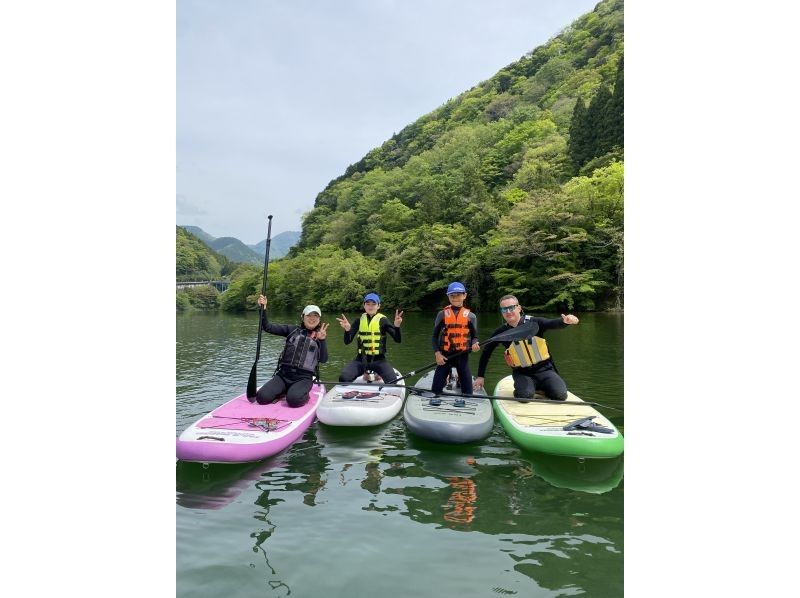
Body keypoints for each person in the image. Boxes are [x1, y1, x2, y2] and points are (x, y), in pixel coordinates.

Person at [474, 294, 579, 400]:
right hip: (523, 373)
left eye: (511, 307)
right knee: (524, 396)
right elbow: (486, 353)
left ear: (519, 308)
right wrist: (480, 376)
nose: (508, 312)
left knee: (560, 395)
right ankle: (528, 388)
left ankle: (542, 387)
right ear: (501, 311)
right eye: (504, 309)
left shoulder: (534, 322)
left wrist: (565, 321)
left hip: (545, 370)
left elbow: (552, 323)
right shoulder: (501, 332)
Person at [252, 295, 329, 407]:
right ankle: (284, 390)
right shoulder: (291, 330)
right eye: (309, 315)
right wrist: (263, 309)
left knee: (294, 400)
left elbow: (323, 359)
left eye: (316, 316)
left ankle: (301, 394)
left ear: (319, 320)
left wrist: (322, 341)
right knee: (261, 398)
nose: (312, 318)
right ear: (302, 317)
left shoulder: (319, 336)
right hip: (283, 375)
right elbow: (267, 327)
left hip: (303, 378)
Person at [336, 292, 403, 383]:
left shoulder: (383, 320)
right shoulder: (359, 320)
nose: (370, 306)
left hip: (379, 360)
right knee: (343, 379)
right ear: (364, 305)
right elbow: (347, 341)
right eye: (368, 304)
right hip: (361, 360)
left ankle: (376, 373)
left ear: (378, 306)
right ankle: (365, 372)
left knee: (393, 382)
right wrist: (347, 330)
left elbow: (397, 340)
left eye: (373, 304)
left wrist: (397, 327)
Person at [431, 282, 480, 395]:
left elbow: (474, 337)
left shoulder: (471, 316)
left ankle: (459, 378)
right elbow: (434, 337)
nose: (455, 298)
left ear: (464, 295)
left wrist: (475, 344)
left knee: (468, 393)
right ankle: (447, 376)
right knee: (435, 391)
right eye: (452, 295)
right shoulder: (442, 314)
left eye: (458, 295)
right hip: (445, 357)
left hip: (462, 357)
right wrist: (437, 354)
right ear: (448, 296)